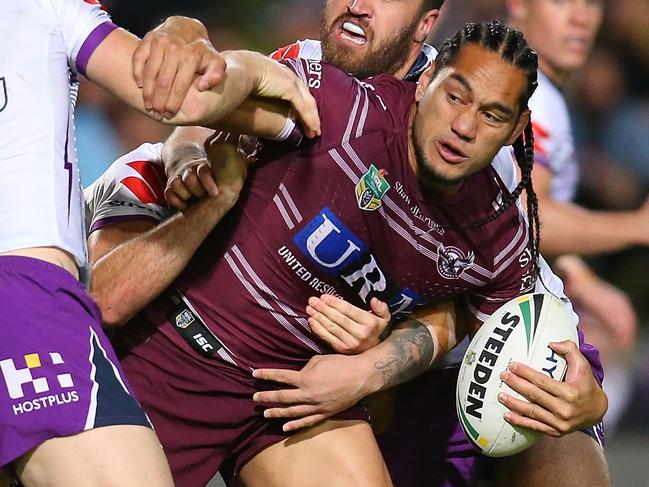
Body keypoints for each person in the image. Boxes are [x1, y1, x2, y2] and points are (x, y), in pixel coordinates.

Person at [87, 4, 607, 487]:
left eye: (491, 116)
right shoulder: (322, 91)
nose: (466, 125)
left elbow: (506, 316)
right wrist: (186, 41)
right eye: (456, 97)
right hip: (188, 348)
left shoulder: (498, 211)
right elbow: (218, 92)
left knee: (563, 449)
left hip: (327, 391)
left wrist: (589, 401)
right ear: (429, 84)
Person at [0, 1, 318, 485]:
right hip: (22, 296)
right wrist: (256, 68)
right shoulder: (47, 8)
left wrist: (181, 28)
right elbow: (180, 98)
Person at [507, 0, 639, 435]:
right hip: (491, 328)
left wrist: (581, 279)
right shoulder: (532, 92)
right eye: (563, 1)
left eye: (593, 3)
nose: (582, 17)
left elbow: (505, 205)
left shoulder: (515, 76)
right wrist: (636, 227)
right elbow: (527, 214)